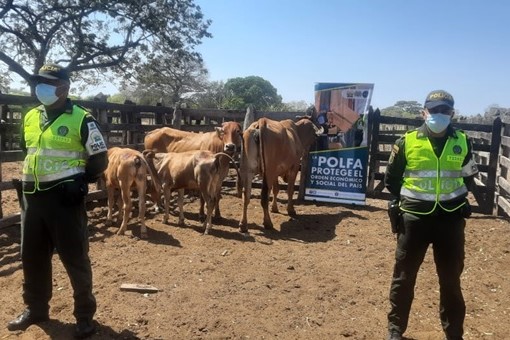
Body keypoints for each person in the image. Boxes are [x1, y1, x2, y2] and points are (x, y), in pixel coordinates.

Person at [7, 63, 108, 338]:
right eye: (39, 81)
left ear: (64, 87)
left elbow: (100, 158)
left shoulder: (81, 118)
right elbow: (30, 150)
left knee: (75, 258)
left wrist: (83, 180)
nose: (41, 87)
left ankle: (84, 316)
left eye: (48, 82)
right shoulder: (30, 117)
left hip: (65, 200)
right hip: (32, 199)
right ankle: (36, 309)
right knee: (32, 257)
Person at [384, 90, 478, 340]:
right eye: (434, 110)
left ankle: (454, 334)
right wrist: (409, 200)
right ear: (424, 112)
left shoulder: (463, 141)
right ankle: (395, 331)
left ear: (452, 113)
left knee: (451, 282)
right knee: (403, 278)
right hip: (414, 220)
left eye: (444, 111)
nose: (439, 115)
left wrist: (457, 200)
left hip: (450, 221)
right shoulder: (407, 142)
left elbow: (469, 176)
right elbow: (391, 180)